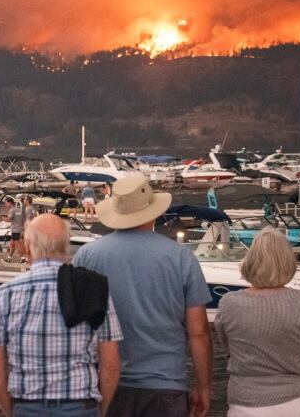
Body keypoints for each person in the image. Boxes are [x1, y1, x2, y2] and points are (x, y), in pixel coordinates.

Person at [73, 176, 213, 417]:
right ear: (153, 212)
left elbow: (75, 324)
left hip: (103, 384)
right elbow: (198, 331)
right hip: (165, 384)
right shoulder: (181, 258)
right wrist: (203, 386)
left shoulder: (86, 256)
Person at [0, 214, 123, 417]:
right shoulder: (92, 287)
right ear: (66, 246)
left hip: (28, 405)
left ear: (27, 246)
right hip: (80, 405)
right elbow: (111, 364)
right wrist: (100, 410)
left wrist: (11, 411)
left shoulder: (5, 294)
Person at [215, 229, 300, 417]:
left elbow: (230, 350)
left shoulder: (228, 304)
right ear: (288, 262)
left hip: (246, 402)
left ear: (250, 260)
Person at [1, 196, 26, 263]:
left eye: (6, 203)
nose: (5, 205)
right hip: (19, 229)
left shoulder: (11, 210)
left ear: (10, 203)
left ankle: (23, 259)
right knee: (12, 244)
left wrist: (3, 219)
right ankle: (9, 258)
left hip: (15, 230)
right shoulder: (18, 210)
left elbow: (9, 219)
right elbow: (22, 219)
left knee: (17, 245)